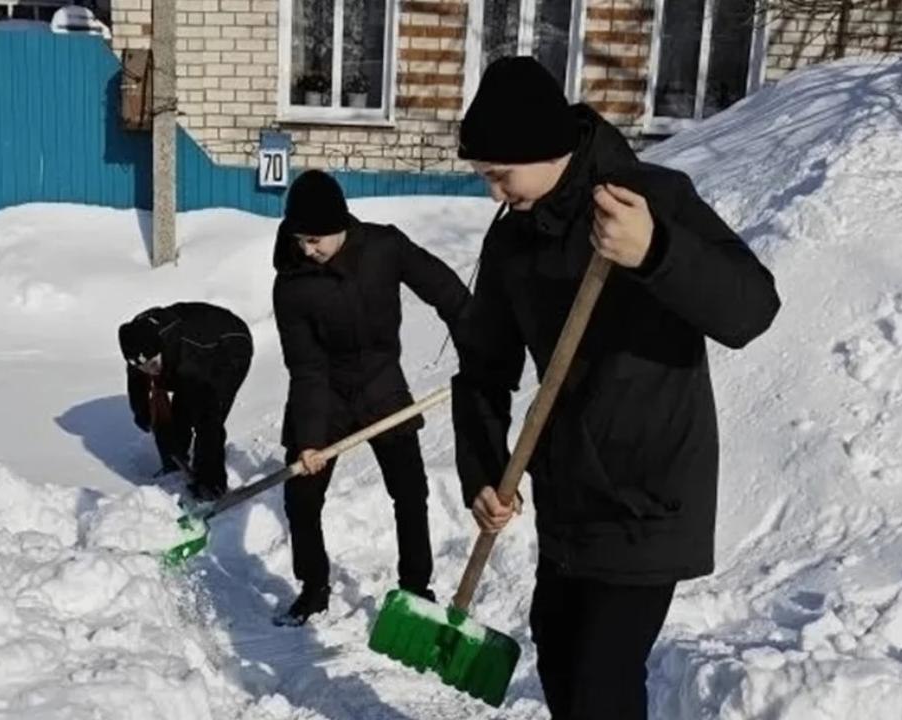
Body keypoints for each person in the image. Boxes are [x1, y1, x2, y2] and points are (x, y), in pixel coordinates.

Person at [450, 57, 781, 719]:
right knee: (558, 653)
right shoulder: (515, 240)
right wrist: (483, 471)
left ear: (545, 150)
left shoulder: (649, 199)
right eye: (484, 176)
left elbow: (751, 309)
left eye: (499, 174)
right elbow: (484, 368)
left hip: (648, 492)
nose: (493, 193)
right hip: (568, 491)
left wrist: (657, 251)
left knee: (601, 680)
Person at [271, 169, 470, 627]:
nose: (307, 249)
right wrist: (310, 438)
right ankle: (313, 587)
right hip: (327, 392)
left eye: (315, 239)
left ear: (340, 223)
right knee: (302, 496)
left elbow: (448, 293)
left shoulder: (385, 247)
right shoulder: (292, 284)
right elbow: (306, 367)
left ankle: (416, 588)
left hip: (382, 384)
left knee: (410, 490)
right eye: (300, 239)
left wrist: (477, 350)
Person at [119, 302, 253, 501]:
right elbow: (137, 379)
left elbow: (207, 419)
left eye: (154, 364)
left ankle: (212, 486)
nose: (151, 371)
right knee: (178, 414)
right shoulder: (138, 342)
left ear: (160, 349)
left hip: (228, 349)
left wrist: (207, 477)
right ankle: (175, 461)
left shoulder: (189, 356)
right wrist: (142, 412)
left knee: (207, 416)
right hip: (186, 354)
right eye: (144, 367)